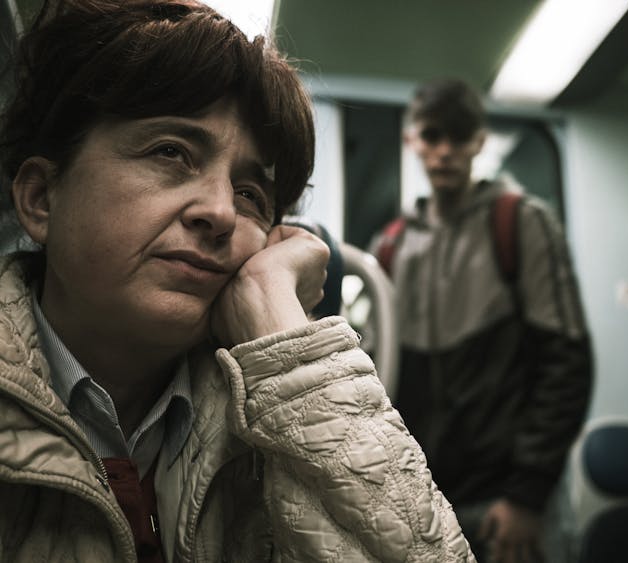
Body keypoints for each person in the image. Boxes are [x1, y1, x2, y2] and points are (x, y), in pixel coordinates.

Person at [0, 2, 476, 561]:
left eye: (252, 194)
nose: (223, 212)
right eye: (171, 152)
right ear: (40, 199)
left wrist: (283, 341)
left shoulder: (268, 428)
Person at [371, 78, 593, 562]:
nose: (445, 150)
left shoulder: (522, 222)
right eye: (433, 136)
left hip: (507, 503)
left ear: (479, 141)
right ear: (414, 141)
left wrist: (527, 495)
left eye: (459, 135)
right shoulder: (389, 247)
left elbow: (567, 362)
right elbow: (377, 382)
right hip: (424, 503)